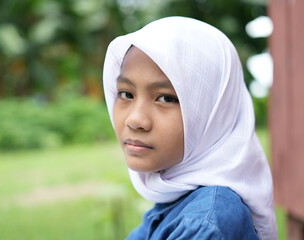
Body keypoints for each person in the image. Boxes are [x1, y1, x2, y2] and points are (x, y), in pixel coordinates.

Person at [102, 17, 277, 240]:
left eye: (166, 98)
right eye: (126, 94)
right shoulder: (178, 198)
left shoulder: (206, 223)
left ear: (213, 112)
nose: (135, 120)